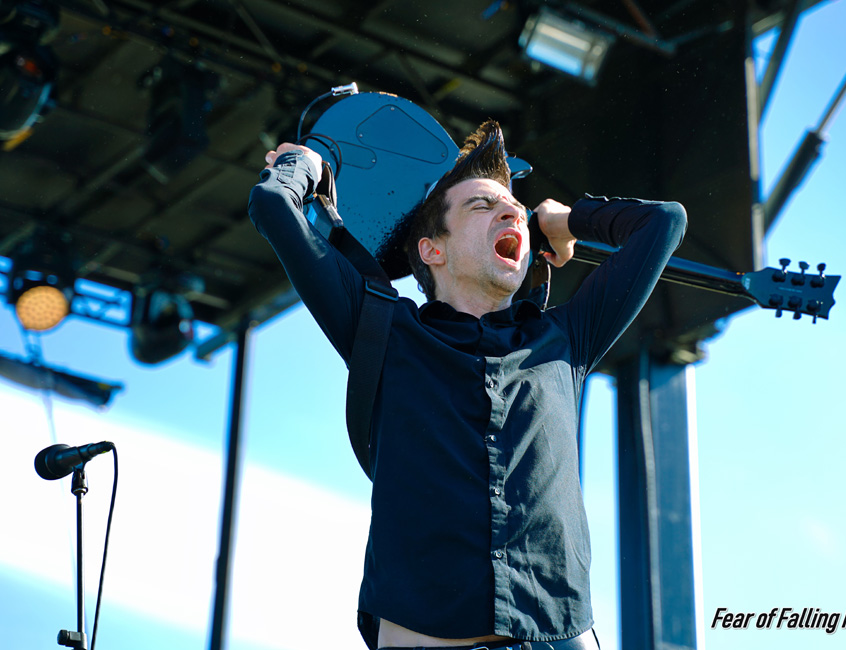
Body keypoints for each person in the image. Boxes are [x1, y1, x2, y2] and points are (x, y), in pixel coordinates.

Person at [248, 121, 687, 650]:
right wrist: (305, 167)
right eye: (482, 207)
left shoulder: (566, 337)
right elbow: (275, 207)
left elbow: (663, 222)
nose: (511, 214)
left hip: (559, 635)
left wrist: (568, 219)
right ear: (432, 250)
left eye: (515, 210)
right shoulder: (385, 331)